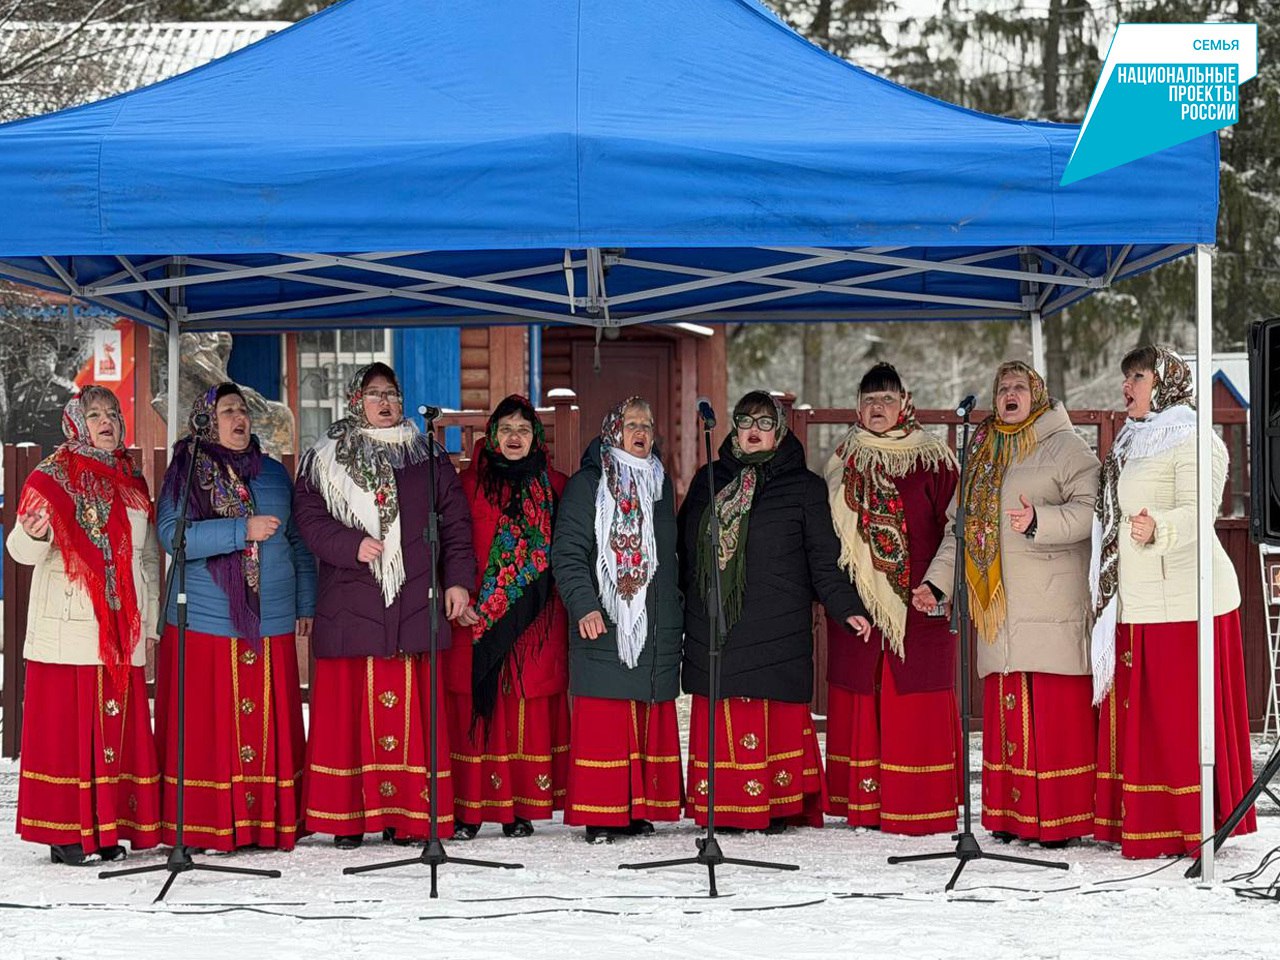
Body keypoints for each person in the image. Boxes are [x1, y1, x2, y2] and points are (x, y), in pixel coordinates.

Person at [913, 361, 1099, 848]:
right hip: (998, 607)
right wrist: (938, 584)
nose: (1009, 395)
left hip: (1051, 601)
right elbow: (959, 529)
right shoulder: (982, 451)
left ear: (1037, 394)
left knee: (1053, 717)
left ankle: (1060, 820)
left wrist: (1040, 521)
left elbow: (1094, 511)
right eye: (1002, 389)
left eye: (1019, 387)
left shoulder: (1065, 445)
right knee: (1008, 713)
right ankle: (1010, 816)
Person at [294, 363, 475, 849]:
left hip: (414, 597)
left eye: (391, 393)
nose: (385, 402)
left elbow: (455, 521)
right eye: (374, 394)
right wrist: (349, 544)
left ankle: (408, 818)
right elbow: (308, 518)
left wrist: (458, 582)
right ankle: (347, 819)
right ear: (357, 401)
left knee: (411, 717)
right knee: (348, 718)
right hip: (352, 599)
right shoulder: (325, 455)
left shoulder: (425, 454)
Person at [1089, 345, 1255, 858]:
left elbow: (1200, 510)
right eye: (1126, 378)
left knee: (1179, 719)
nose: (1127, 387)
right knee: (1150, 719)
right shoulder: (1133, 439)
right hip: (1139, 599)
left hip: (1184, 601)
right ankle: (1151, 821)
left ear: (1165, 382)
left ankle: (1189, 822)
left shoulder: (1195, 438)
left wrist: (1159, 526)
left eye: (1138, 377)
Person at [679, 391, 870, 832]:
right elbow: (684, 553)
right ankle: (724, 807)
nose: (754, 430)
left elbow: (823, 559)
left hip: (778, 624)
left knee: (774, 711)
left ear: (779, 432)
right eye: (746, 420)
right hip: (718, 625)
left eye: (765, 423)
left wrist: (846, 607)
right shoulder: (709, 479)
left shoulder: (804, 487)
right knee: (724, 710)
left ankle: (778, 805)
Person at [155, 382, 316, 853]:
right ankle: (204, 824)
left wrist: (306, 601)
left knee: (267, 728)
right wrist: (240, 529)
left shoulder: (274, 474)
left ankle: (266, 824)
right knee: (209, 732)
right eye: (227, 411)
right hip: (206, 619)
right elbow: (173, 536)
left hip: (273, 617)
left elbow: (298, 542)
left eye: (242, 410)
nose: (238, 418)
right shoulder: (186, 470)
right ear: (207, 420)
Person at [7, 388, 161, 864]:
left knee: (113, 732)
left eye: (112, 413)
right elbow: (20, 551)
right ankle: (67, 835)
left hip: (121, 630)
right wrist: (31, 534)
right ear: (76, 423)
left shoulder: (131, 480)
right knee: (69, 737)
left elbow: (148, 557)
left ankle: (107, 829)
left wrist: (149, 621)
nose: (105, 421)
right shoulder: (51, 476)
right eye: (93, 414)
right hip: (68, 629)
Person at [823, 363, 963, 835]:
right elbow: (827, 540)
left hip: (920, 602)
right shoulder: (841, 460)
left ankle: (918, 802)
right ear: (857, 408)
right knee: (864, 691)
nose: (877, 407)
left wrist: (938, 584)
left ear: (905, 402)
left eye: (887, 398)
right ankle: (864, 804)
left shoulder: (935, 459)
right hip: (858, 605)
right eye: (869, 400)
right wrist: (844, 600)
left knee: (914, 698)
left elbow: (957, 531)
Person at [550, 397, 684, 842]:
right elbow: (568, 552)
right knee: (607, 720)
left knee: (643, 717)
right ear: (613, 430)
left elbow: (668, 556)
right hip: (605, 618)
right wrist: (584, 605)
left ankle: (636, 809)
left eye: (647, 424)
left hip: (652, 621)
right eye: (631, 424)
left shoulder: (660, 483)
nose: (641, 431)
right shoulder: (588, 484)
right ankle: (602, 813)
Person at [444, 395, 571, 839]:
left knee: (521, 708)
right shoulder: (467, 484)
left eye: (523, 430)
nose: (515, 437)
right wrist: (458, 594)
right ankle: (468, 810)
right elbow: (452, 543)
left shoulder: (555, 485)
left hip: (536, 619)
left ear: (535, 437)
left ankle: (519, 809)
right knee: (479, 705)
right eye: (506, 429)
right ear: (493, 436)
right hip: (475, 615)